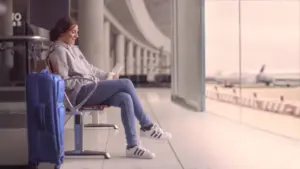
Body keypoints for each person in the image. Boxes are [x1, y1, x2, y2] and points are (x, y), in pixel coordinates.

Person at [48, 16, 171, 159]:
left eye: (77, 32)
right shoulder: (59, 51)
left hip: (90, 88)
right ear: (62, 32)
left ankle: (133, 146)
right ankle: (147, 126)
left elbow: (90, 69)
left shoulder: (73, 49)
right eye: (73, 32)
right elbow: (65, 82)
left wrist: (107, 75)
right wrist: (92, 82)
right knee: (126, 83)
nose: (77, 35)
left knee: (125, 98)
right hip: (78, 94)